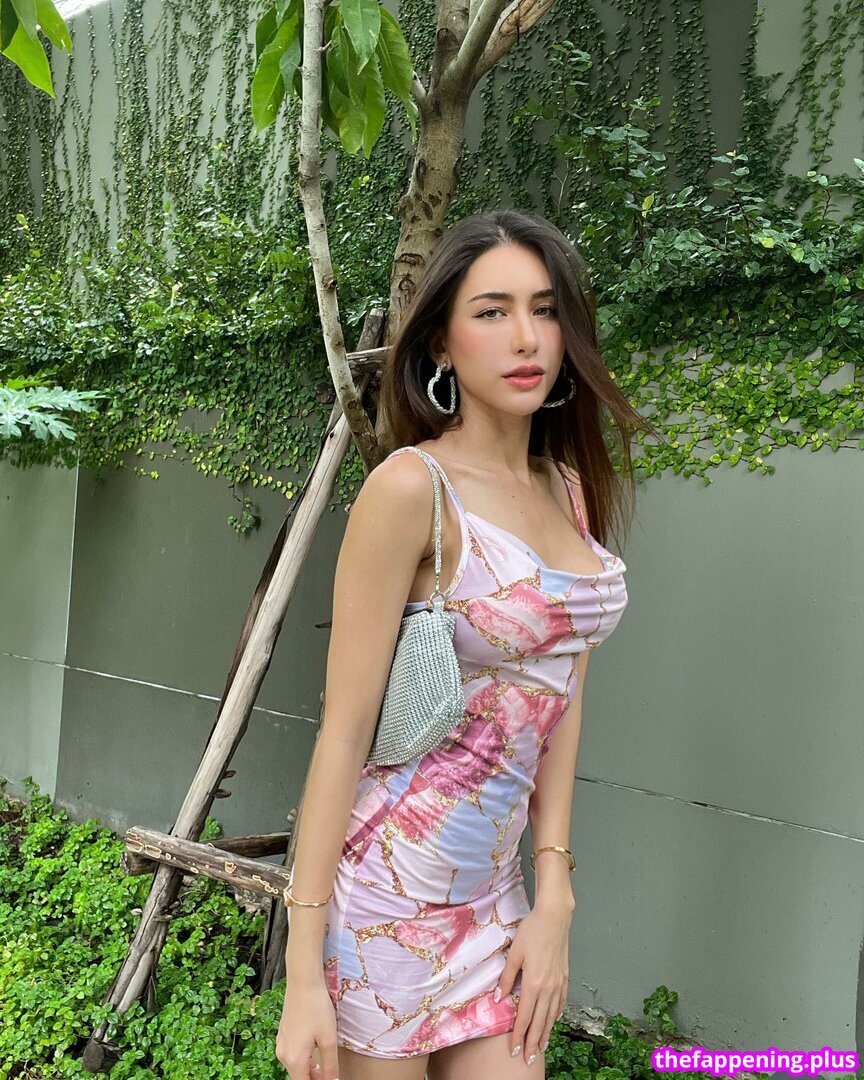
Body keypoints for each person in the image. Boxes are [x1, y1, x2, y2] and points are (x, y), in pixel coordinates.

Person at [275, 209, 650, 1080]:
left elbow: (561, 697)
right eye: (492, 311)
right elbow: (344, 733)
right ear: (441, 343)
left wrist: (554, 889)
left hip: (496, 903)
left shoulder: (569, 490)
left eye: (545, 309)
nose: (527, 337)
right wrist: (303, 971)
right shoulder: (412, 488)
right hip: (382, 902)